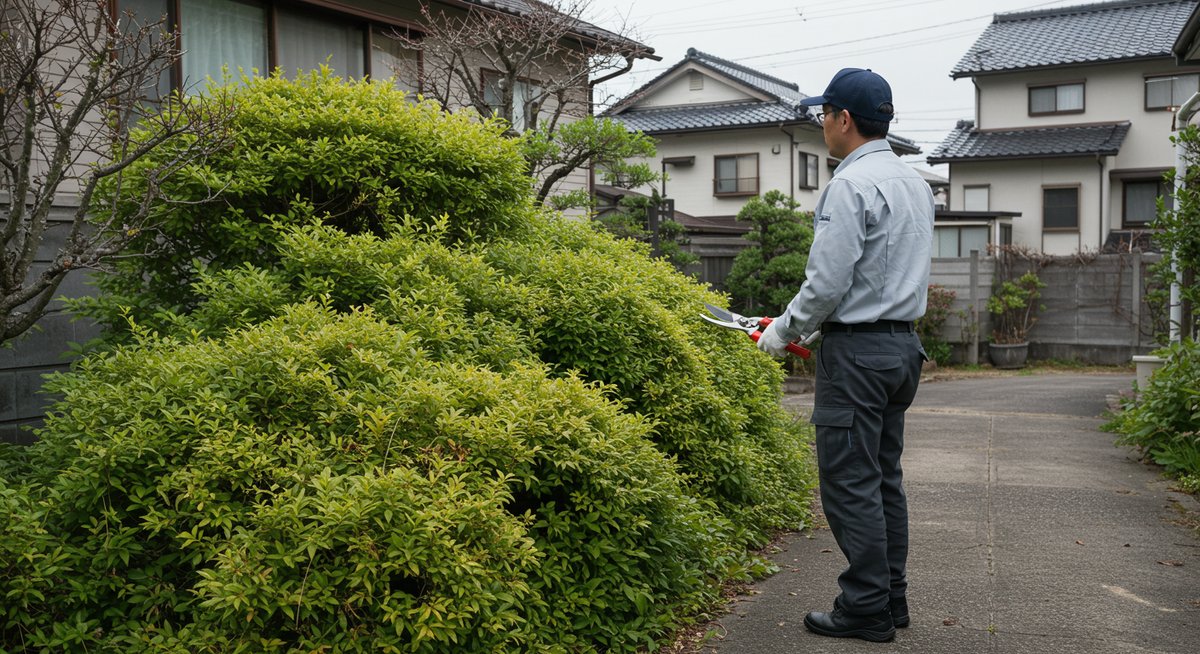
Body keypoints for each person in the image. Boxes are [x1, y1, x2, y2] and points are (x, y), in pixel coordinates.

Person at [757, 67, 934, 643]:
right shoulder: (915, 183)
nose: (822, 126)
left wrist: (781, 334)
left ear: (844, 119)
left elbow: (828, 283)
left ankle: (864, 608)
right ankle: (891, 599)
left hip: (857, 356)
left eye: (823, 115)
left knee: (849, 482)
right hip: (902, 346)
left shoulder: (849, 184)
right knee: (883, 479)